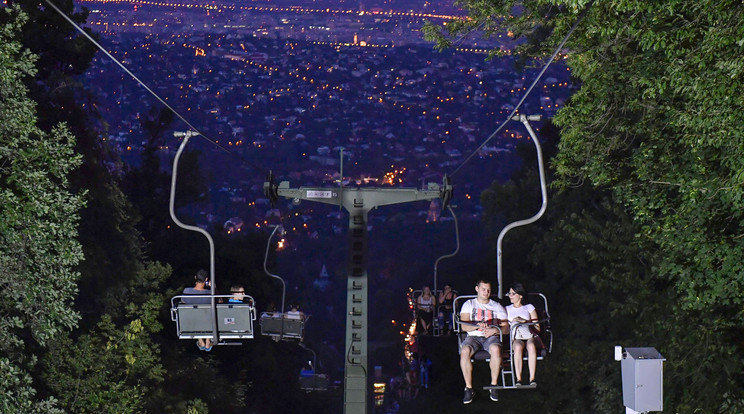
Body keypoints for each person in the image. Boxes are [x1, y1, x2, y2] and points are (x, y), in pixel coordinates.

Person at [459, 279, 508, 404]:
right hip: (474, 336)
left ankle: (494, 385)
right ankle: (469, 388)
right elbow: (464, 327)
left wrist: (494, 331)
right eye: (483, 289)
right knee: (464, 351)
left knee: (496, 349)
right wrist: (476, 326)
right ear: (477, 289)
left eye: (488, 290)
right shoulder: (469, 304)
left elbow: (506, 328)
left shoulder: (496, 306)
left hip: (491, 336)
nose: (486, 292)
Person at [506, 282, 539, 387]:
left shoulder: (529, 307)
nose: (510, 296)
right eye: (509, 293)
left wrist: (524, 321)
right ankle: (518, 378)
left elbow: (537, 327)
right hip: (516, 337)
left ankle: (532, 378)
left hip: (529, 334)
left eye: (513, 294)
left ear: (520, 296)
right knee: (518, 346)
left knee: (531, 345)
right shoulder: (507, 309)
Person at [182, 269, 213, 351]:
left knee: (193, 314)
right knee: (208, 314)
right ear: (206, 279)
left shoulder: (187, 291)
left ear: (195, 277)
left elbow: (183, 302)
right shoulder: (210, 293)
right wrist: (213, 288)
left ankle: (200, 339)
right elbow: (220, 301)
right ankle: (207, 340)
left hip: (192, 322)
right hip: (207, 322)